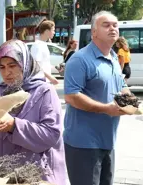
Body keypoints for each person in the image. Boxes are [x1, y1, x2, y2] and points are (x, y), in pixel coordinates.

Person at [0, 39, 66, 185]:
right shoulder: (1, 93)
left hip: (36, 176)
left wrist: (15, 125)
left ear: (24, 64)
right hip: (4, 176)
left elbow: (51, 134)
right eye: (1, 67)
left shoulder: (44, 92)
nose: (7, 72)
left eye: (12, 66)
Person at [64, 11, 131, 185]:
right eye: (106, 25)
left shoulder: (114, 57)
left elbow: (121, 86)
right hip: (83, 144)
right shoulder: (80, 59)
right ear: (94, 32)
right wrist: (106, 109)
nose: (112, 29)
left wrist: (131, 101)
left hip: (108, 140)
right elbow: (72, 96)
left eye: (115, 25)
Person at [30, 20, 59, 85]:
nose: (54, 32)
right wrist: (51, 78)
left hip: (44, 82)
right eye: (53, 30)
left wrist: (56, 68)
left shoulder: (43, 44)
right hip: (40, 82)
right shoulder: (37, 45)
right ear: (46, 31)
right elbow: (36, 66)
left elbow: (44, 64)